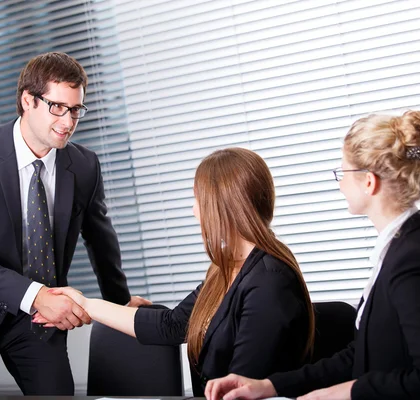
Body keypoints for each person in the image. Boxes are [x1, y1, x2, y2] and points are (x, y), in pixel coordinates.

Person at [0, 52, 150, 395]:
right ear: (28, 100)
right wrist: (36, 295)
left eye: (75, 110)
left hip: (38, 321)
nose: (68, 122)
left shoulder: (84, 165)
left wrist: (120, 303)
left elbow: (101, 241)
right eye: (57, 107)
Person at [205, 111, 420, 400]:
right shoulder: (403, 249)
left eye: (343, 173)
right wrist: (270, 386)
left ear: (368, 182)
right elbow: (363, 355)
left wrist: (345, 392)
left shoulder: (415, 261)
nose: (340, 183)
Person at [36, 147, 316, 396]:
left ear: (224, 207)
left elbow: (240, 388)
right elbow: (171, 325)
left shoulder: (269, 281)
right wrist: (85, 304)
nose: (195, 211)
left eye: (199, 200)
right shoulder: (226, 268)